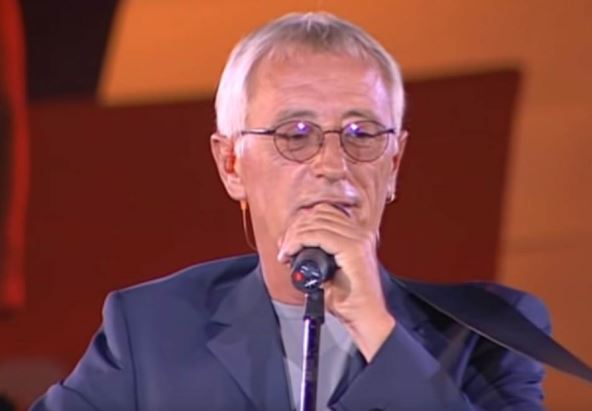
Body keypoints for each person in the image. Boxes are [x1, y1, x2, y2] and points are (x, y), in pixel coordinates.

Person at [31, 12, 591, 411]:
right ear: (231, 164)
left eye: (362, 133)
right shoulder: (151, 329)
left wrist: (374, 326)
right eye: (295, 134)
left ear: (394, 164)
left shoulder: (488, 334)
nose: (332, 163)